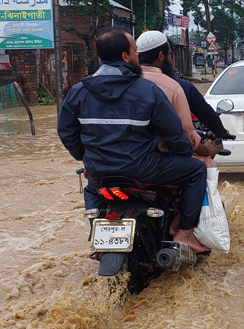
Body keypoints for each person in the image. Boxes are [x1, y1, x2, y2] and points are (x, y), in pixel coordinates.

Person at [57, 27, 211, 254]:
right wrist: (182, 151)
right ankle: (185, 233)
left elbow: (66, 132)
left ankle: (98, 235)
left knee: (91, 189)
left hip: (100, 170)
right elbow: (173, 133)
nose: (138, 56)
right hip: (145, 168)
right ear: (125, 57)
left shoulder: (78, 91)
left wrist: (88, 158)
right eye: (135, 51)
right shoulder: (147, 90)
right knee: (196, 170)